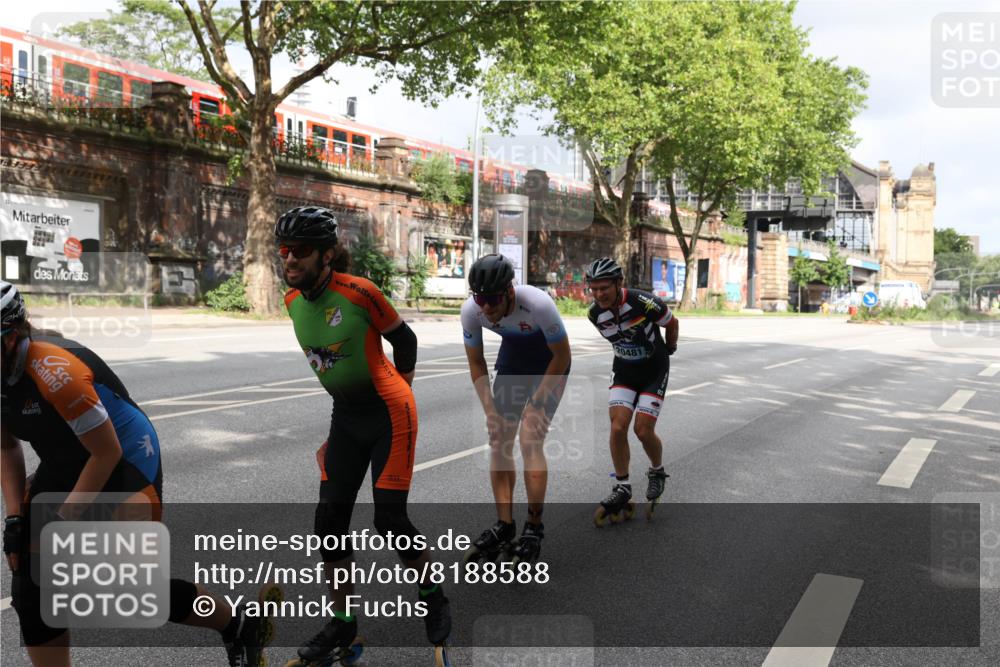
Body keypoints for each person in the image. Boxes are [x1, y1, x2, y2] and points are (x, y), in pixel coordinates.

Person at [0, 280, 273, 667]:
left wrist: (65, 521)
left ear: (10, 338)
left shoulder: (56, 373)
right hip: (66, 460)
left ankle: (238, 623)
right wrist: (14, 519)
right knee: (31, 585)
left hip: (123, 459)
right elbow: (6, 446)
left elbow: (105, 452)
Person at [275, 206, 451, 665]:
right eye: (285, 250)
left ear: (327, 254)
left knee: (389, 520)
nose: (290, 259)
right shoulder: (292, 302)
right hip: (346, 417)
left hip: (390, 411)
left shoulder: (359, 292)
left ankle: (433, 595)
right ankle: (343, 623)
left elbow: (405, 341)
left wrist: (402, 404)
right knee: (328, 524)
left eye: (301, 251)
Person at [460, 254, 571, 564]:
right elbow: (476, 362)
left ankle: (534, 526)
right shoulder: (472, 311)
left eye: (492, 299)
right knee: (499, 439)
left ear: (509, 291)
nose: (486, 307)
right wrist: (490, 412)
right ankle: (504, 524)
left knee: (529, 439)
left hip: (550, 363)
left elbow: (562, 356)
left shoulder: (538, 303)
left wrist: (536, 404)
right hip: (515, 358)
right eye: (480, 298)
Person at [584, 258, 679, 523]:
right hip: (625, 371)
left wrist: (669, 349)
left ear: (618, 283)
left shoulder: (644, 302)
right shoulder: (594, 315)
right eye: (594, 288)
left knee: (642, 429)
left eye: (604, 287)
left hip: (654, 371)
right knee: (617, 427)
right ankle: (622, 486)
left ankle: (657, 471)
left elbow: (672, 323)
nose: (599, 294)